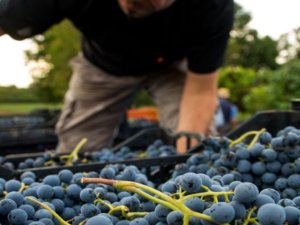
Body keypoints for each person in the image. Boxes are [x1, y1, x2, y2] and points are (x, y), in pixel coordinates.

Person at [0, 0, 234, 152]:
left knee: (197, 148)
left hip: (171, 66)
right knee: (77, 151)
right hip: (102, 66)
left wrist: (189, 163)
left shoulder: (213, 6)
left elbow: (201, 89)